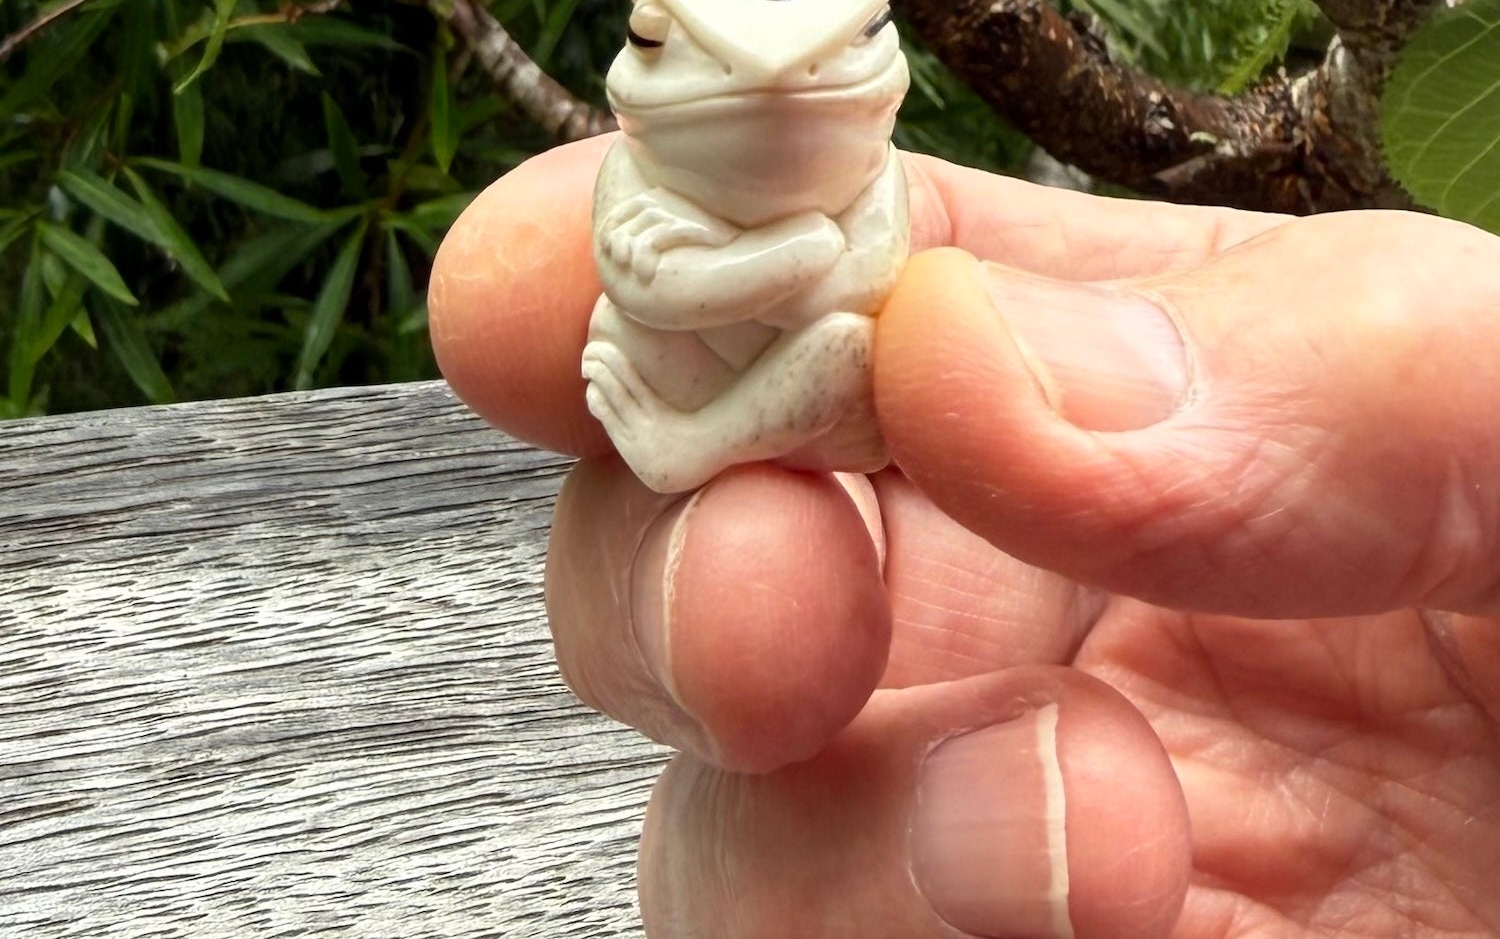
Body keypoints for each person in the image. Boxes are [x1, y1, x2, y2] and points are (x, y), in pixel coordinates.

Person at [429, 137, 1500, 939]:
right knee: (753, 594)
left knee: (842, 361)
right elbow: (645, 284)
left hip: (836, 397)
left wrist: (771, 263)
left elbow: (840, 303)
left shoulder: (872, 199)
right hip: (744, 412)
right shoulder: (641, 173)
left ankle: (690, 441)